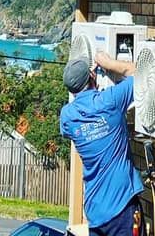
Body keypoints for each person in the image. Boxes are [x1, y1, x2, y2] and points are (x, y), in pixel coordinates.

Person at [60, 50, 145, 236]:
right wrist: (109, 63)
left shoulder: (67, 117)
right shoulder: (110, 101)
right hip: (121, 207)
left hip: (95, 210)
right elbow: (141, 73)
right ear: (92, 75)